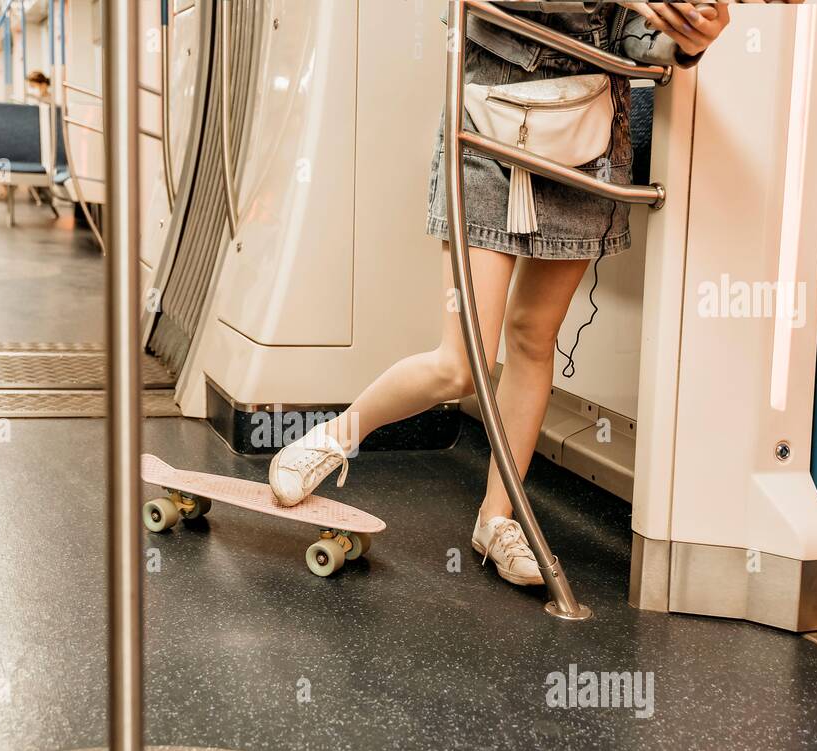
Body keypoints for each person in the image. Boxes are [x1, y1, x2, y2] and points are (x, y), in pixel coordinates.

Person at [268, 2, 731, 587]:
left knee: (535, 342)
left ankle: (496, 516)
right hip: (485, 133)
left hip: (583, 145)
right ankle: (334, 439)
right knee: (461, 365)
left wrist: (688, 39)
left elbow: (634, 42)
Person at [0, 70, 56, 202]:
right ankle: (2, 185)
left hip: (42, 145)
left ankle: (3, 186)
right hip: (36, 141)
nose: (31, 90)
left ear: (43, 85)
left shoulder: (49, 103)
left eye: (33, 86)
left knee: (8, 150)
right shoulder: (37, 102)